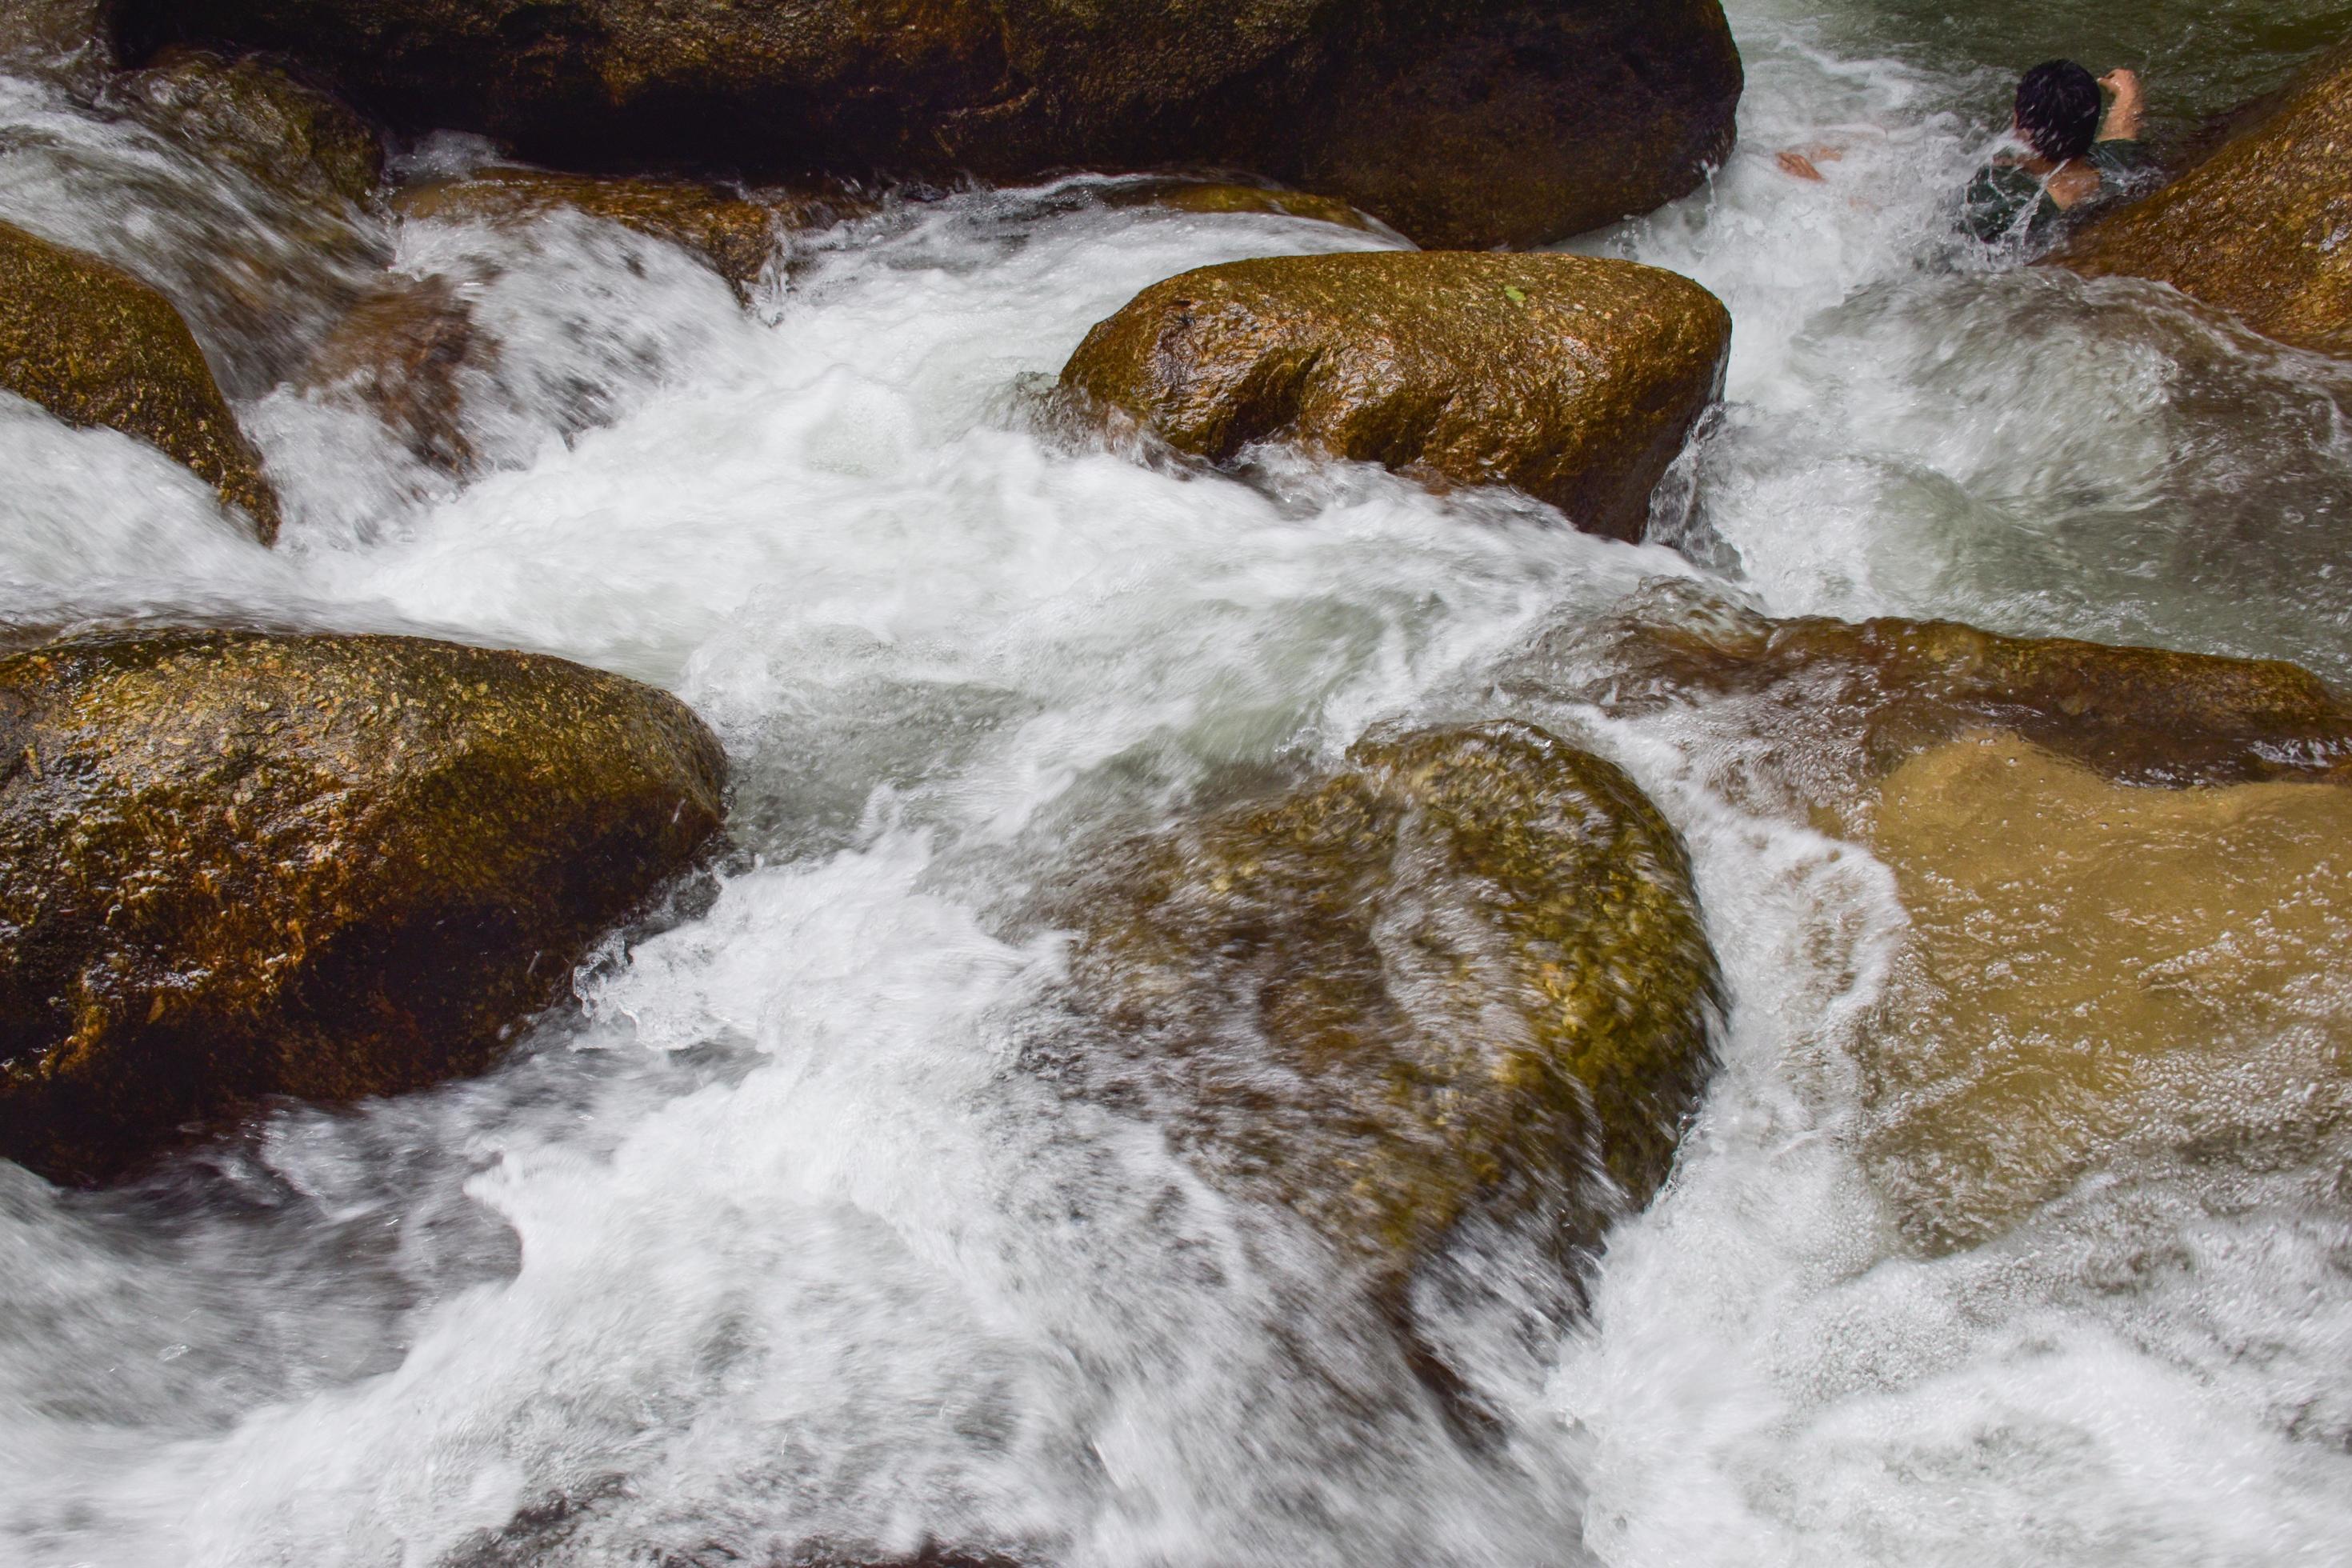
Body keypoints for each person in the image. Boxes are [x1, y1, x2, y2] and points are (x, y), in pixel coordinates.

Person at [1961, 60, 2151, 242]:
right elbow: (2123, 131)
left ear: (2022, 126)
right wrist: (2128, 93)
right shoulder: (2118, 169)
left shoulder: (1998, 198)